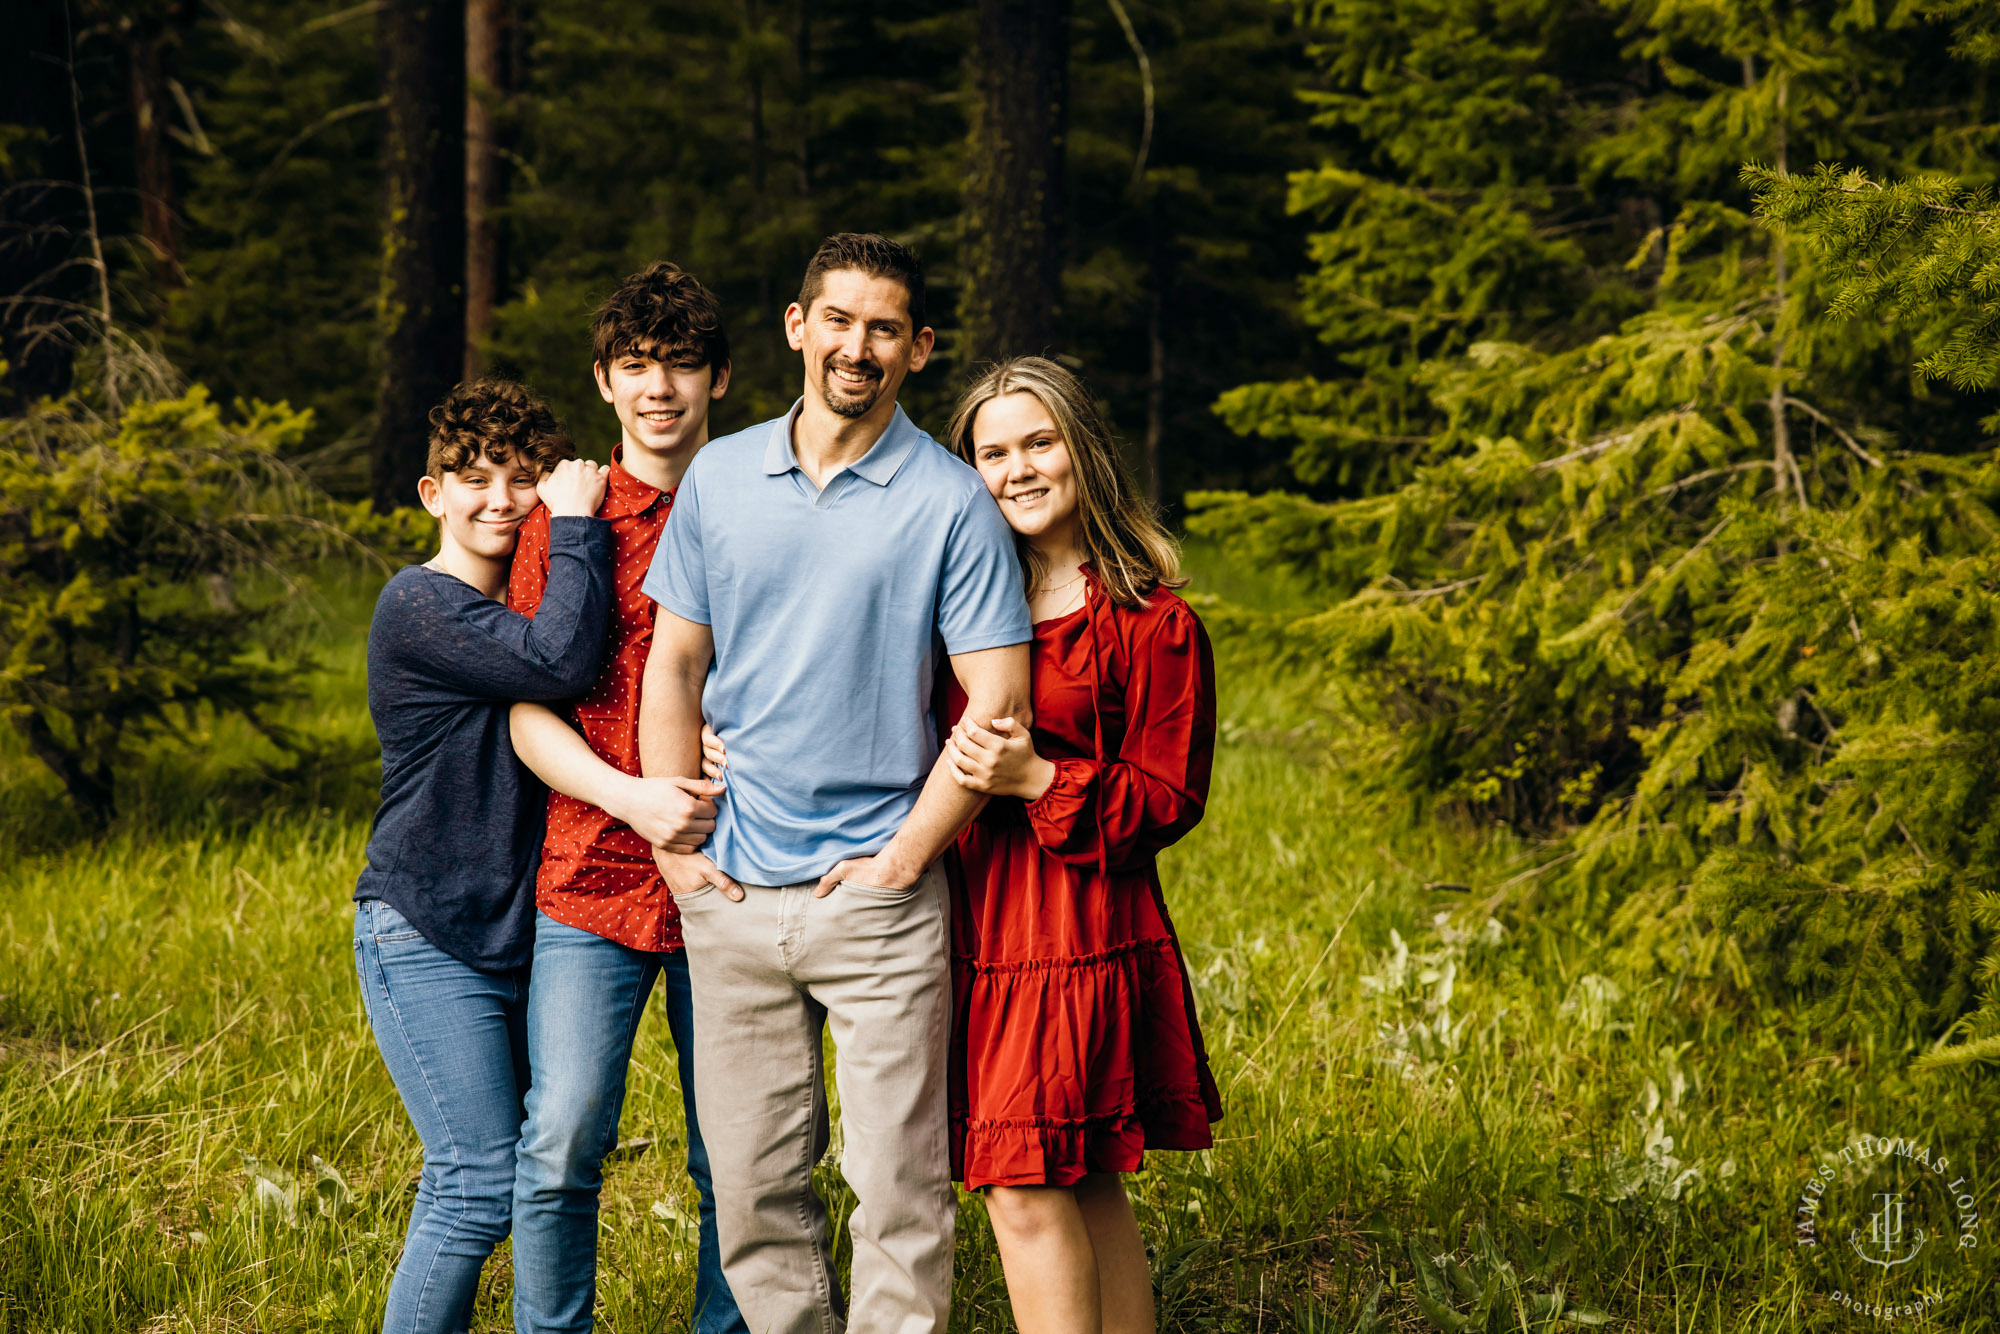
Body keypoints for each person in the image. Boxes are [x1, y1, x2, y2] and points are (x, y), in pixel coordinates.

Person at [636, 233, 1034, 1334]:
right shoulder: (719, 477)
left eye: (884, 328)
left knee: (897, 1196)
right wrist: (677, 850)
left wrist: (904, 859)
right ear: (796, 325)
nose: (857, 346)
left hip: (879, 903)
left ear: (918, 349)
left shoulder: (953, 503)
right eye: (839, 319)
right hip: (730, 895)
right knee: (755, 1193)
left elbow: (996, 711)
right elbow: (675, 661)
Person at [941, 356, 1222, 1334]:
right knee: (1081, 1175)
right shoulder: (952, 606)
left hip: (1073, 924)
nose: (1015, 468)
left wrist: (1039, 780)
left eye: (1037, 441)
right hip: (967, 923)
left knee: (1021, 1182)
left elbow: (1169, 792)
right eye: (990, 451)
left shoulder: (1151, 619)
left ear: (1081, 452)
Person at [499, 262, 747, 1334]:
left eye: (681, 363)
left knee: (736, 1150)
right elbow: (524, 711)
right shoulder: (563, 521)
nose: (660, 386)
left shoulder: (761, 510)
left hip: (735, 874)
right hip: (591, 872)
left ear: (721, 379)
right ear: (604, 380)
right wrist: (633, 797)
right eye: (637, 364)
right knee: (559, 1140)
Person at [352, 380, 612, 1334]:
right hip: (425, 926)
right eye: (475, 478)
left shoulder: (531, 606)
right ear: (433, 494)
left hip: (513, 933)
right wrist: (580, 523)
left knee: (495, 1180)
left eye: (525, 479)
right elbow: (556, 666)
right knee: (473, 1185)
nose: (501, 498)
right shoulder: (419, 604)